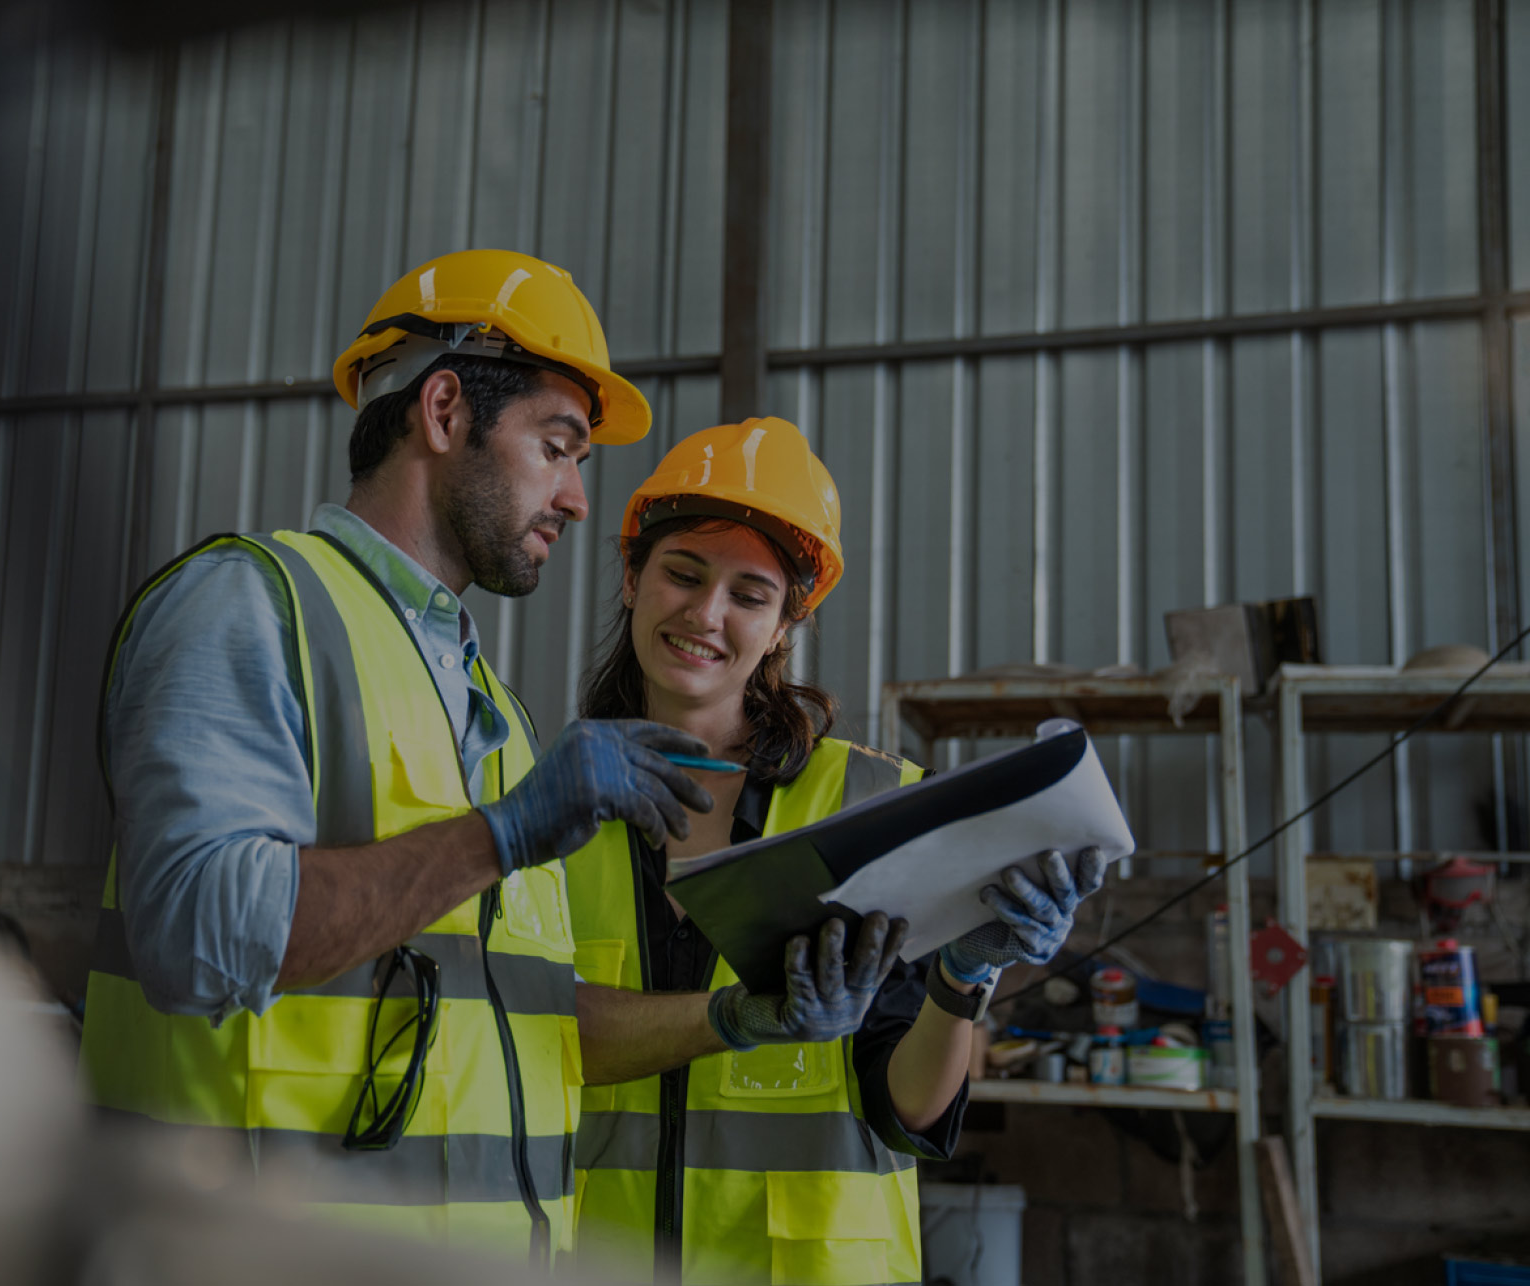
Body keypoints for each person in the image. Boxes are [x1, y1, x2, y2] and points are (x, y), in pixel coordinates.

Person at [75, 252, 892, 1270]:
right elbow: (199, 930)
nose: (577, 498)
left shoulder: (493, 710)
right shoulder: (249, 604)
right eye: (557, 447)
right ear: (446, 409)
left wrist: (736, 1015)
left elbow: (534, 1026)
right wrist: (497, 836)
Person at [564, 416, 1106, 1285]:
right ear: (632, 578)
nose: (706, 614)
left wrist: (962, 977)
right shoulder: (551, 804)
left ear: (784, 625)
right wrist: (735, 1020)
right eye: (683, 573)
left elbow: (908, 1111)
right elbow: (521, 1037)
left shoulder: (871, 804)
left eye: (749, 594)